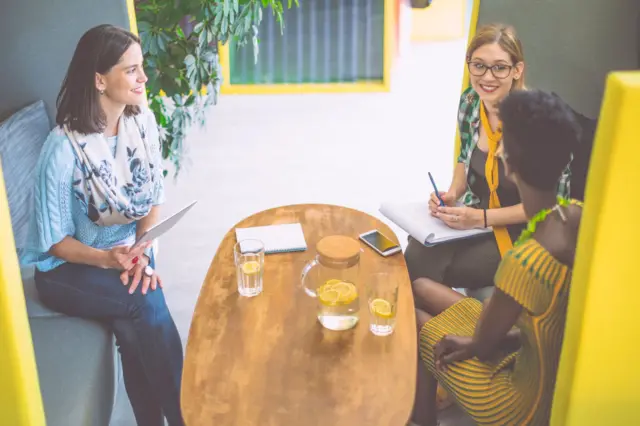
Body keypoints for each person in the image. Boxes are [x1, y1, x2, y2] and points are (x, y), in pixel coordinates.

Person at [20, 25, 184, 426]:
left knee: (132, 328)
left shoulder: (141, 121)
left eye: (141, 67)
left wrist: (141, 249)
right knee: (144, 302)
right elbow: (54, 242)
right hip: (67, 268)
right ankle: (187, 416)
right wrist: (109, 260)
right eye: (131, 70)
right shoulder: (62, 150)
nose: (144, 78)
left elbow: (155, 194)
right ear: (99, 79)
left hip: (127, 254)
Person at [408, 89, 583, 426]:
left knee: (414, 318)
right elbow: (554, 322)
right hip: (541, 355)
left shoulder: (522, 263)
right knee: (420, 287)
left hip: (519, 401)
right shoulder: (576, 216)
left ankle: (422, 416)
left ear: (508, 163)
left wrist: (477, 338)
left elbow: (484, 348)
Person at [404, 24, 572, 293]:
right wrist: (453, 192)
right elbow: (464, 155)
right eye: (478, 65)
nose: (487, 77)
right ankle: (423, 325)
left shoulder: (537, 123)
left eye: (500, 67)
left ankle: (437, 324)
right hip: (478, 212)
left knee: (436, 271)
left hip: (524, 230)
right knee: (417, 249)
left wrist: (481, 218)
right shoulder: (471, 101)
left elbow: (551, 208)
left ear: (517, 70)